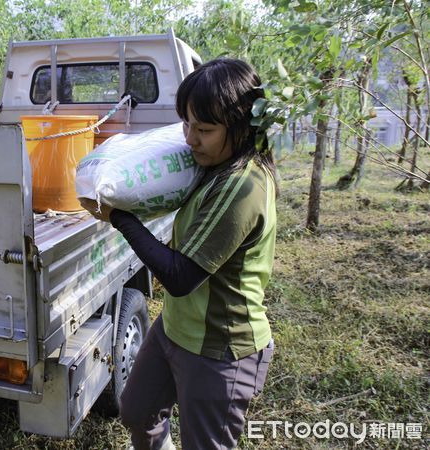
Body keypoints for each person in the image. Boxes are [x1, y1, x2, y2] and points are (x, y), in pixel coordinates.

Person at [80, 58, 277, 450]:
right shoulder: (211, 166)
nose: (189, 139)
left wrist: (120, 216)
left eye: (204, 129)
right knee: (136, 410)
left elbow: (180, 277)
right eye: (186, 124)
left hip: (218, 347)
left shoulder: (242, 186)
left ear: (241, 128)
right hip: (175, 328)